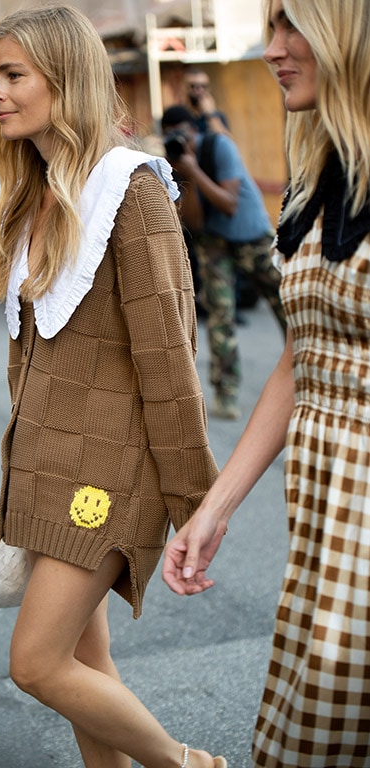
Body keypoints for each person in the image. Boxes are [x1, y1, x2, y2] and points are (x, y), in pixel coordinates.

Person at [0, 6, 226, 768]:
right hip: (50, 468)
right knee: (85, 668)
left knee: (37, 664)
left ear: (66, 77)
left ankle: (188, 765)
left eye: (12, 74)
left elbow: (168, 355)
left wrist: (195, 503)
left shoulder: (130, 187)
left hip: (107, 476)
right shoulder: (35, 190)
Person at [163, 0, 370, 765]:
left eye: (292, 26)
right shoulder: (320, 170)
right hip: (325, 520)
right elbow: (300, 357)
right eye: (269, 26)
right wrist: (213, 509)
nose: (270, 49)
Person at [161, 105, 287, 420]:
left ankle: (307, 375)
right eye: (172, 134)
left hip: (250, 235)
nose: (180, 139)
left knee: (289, 304)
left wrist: (195, 172)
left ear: (195, 130)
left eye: (183, 132)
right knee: (220, 315)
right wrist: (184, 175)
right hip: (214, 242)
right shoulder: (174, 164)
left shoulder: (220, 146)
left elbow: (229, 204)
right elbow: (195, 223)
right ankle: (226, 393)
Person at [183, 69, 230, 136]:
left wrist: (211, 115)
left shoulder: (218, 116)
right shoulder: (180, 116)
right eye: (193, 86)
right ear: (185, 88)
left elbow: (225, 142)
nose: (199, 90)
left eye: (204, 86)